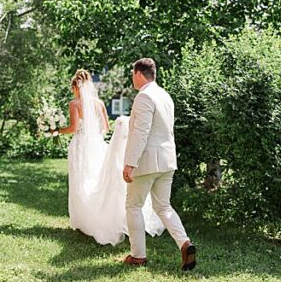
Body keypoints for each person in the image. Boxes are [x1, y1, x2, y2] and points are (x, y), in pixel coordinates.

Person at [47, 68, 165, 247]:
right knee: (98, 179)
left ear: (76, 87)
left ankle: (84, 221)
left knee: (81, 181)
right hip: (98, 145)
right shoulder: (99, 103)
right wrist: (94, 134)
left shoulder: (74, 104)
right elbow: (105, 127)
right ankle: (104, 216)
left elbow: (72, 128)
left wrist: (56, 130)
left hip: (81, 146)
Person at [121, 57, 196, 270]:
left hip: (147, 161)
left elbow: (140, 133)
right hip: (167, 160)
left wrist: (130, 163)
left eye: (131, 74)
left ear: (138, 73)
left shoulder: (144, 97)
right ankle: (185, 243)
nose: (131, 79)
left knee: (133, 206)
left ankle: (138, 256)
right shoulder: (165, 95)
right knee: (163, 206)